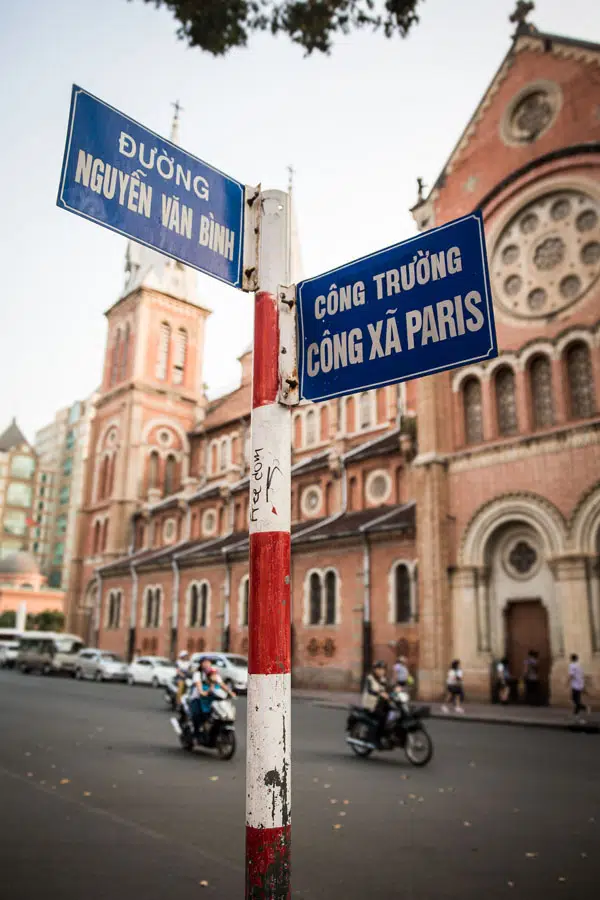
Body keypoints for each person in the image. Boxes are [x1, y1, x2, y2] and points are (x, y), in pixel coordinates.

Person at [361, 660, 390, 747]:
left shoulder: (383, 679)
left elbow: (388, 687)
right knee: (381, 717)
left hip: (380, 703)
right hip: (370, 705)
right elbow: (370, 689)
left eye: (383, 669)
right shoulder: (369, 678)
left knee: (392, 713)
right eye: (380, 669)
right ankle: (374, 739)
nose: (382, 671)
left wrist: (396, 689)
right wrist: (380, 693)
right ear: (375, 670)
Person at [568, 653, 589, 718]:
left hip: (575, 685)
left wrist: (567, 682)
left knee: (575, 700)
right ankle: (576, 713)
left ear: (571, 659)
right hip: (580, 684)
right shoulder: (579, 665)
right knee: (576, 699)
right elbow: (582, 675)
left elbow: (571, 675)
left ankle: (584, 708)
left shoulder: (571, 665)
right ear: (577, 658)